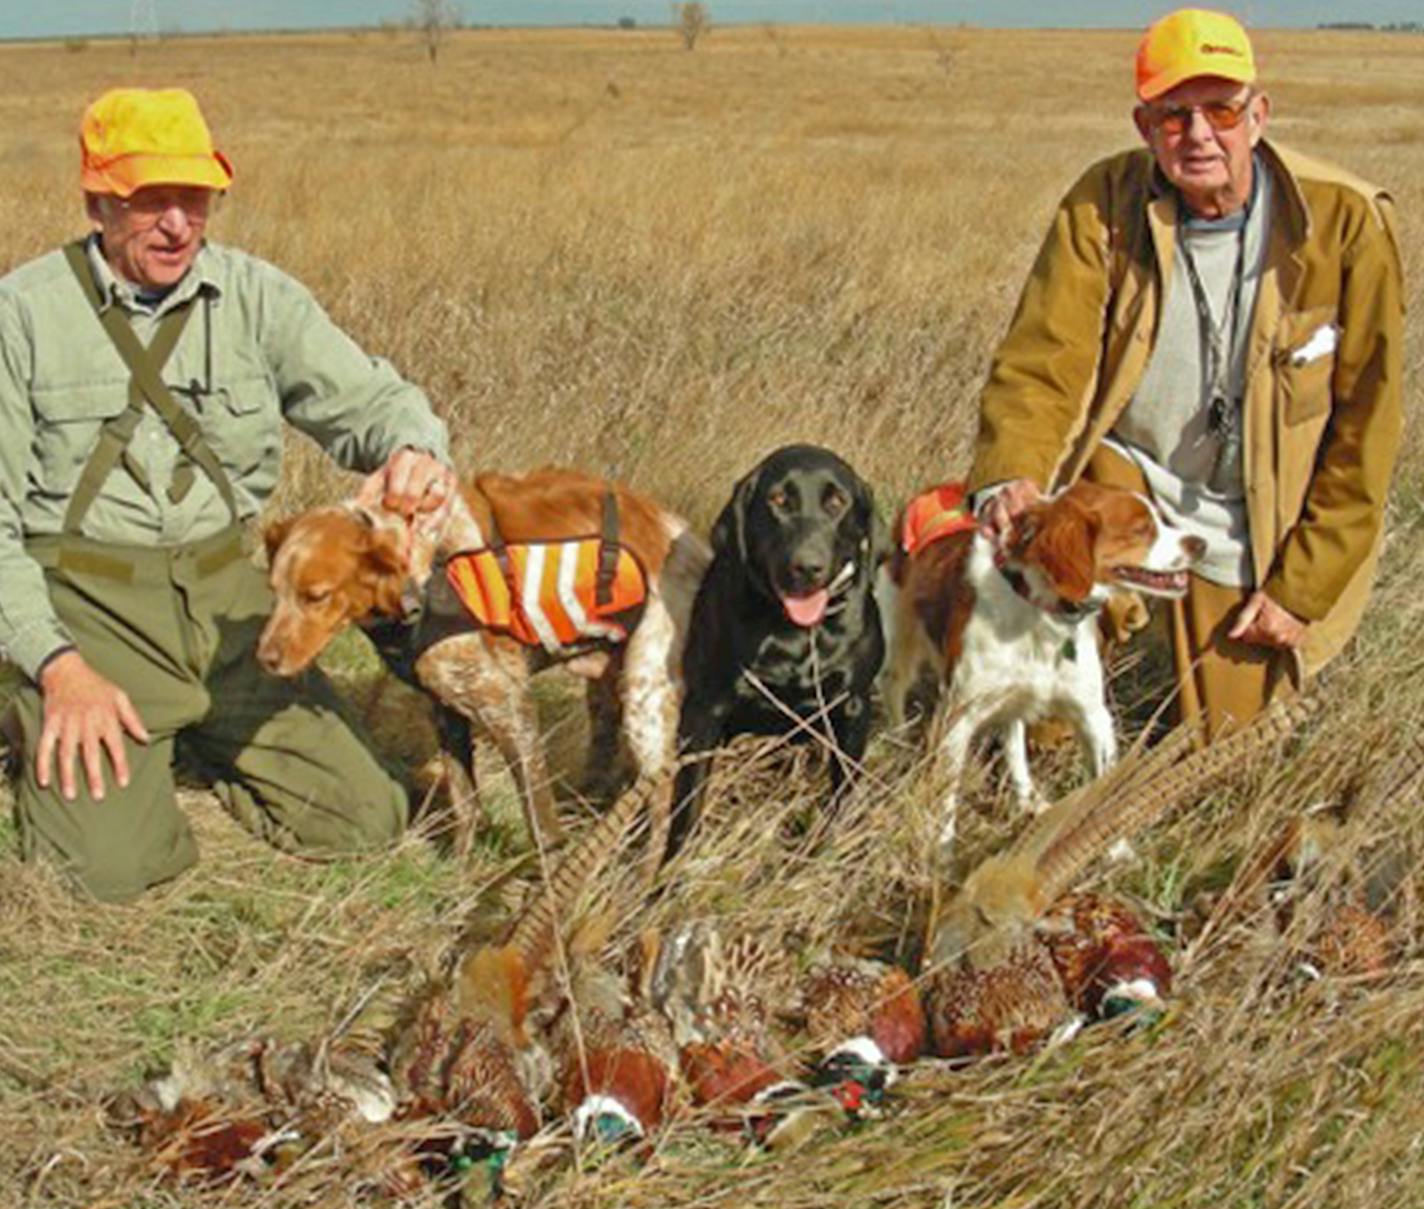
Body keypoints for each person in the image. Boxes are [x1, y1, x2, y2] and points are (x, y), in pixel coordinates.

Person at [0, 87, 458, 901]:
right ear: (98, 200)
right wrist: (57, 664)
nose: (178, 224)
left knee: (368, 817)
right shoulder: (22, 316)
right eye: (152, 200)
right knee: (102, 871)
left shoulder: (257, 297)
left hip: (229, 598)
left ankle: (196, 731)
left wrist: (413, 451)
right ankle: (43, 713)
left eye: (196, 198)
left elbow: (374, 402)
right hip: (92, 608)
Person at [968, 8, 1403, 739]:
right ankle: (1035, 742)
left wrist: (1302, 587)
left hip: (1256, 521)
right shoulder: (1101, 204)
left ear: (1259, 114)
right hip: (1126, 476)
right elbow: (1042, 362)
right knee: (1036, 708)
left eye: (1221, 109)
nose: (1198, 133)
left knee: (1226, 755)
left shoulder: (1347, 222)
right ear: (1145, 127)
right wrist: (1008, 473)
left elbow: (1367, 429)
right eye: (1174, 114)